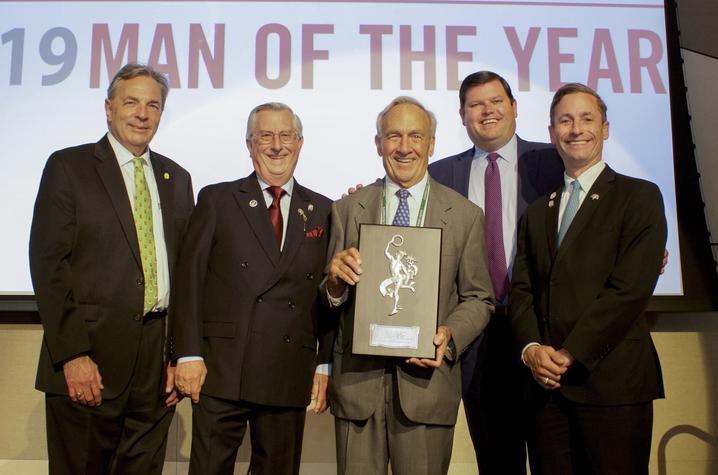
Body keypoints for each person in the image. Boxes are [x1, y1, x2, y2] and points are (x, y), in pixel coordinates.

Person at [29, 63, 195, 474]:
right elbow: (49, 265)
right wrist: (73, 355)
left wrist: (178, 355)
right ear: (108, 107)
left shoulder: (178, 178)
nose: (142, 113)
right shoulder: (69, 167)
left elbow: (188, 276)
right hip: (89, 361)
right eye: (131, 102)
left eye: (153, 105)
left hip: (156, 370)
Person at [323, 96, 494, 474]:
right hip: (358, 386)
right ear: (378, 143)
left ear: (431, 144)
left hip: (427, 387)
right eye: (393, 136)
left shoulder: (464, 216)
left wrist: (450, 334)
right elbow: (330, 297)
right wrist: (335, 283)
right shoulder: (347, 209)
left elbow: (479, 298)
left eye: (415, 136)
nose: (404, 147)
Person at [509, 83, 666, 474]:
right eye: (565, 120)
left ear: (606, 128)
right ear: (551, 133)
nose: (576, 129)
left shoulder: (640, 197)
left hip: (613, 385)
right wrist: (531, 349)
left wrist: (568, 354)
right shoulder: (538, 212)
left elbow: (628, 292)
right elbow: (523, 290)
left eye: (586, 119)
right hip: (547, 391)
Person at [171, 102, 333, 475]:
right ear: (249, 144)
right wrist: (188, 353)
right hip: (221, 369)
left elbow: (329, 295)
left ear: (300, 142)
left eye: (285, 135)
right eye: (265, 136)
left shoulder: (324, 209)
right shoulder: (217, 199)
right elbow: (189, 280)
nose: (276, 145)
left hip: (288, 369)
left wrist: (324, 361)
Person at [428, 70, 564, 474]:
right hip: (475, 338)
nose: (487, 111)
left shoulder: (554, 162)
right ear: (462, 115)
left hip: (542, 334)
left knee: (552, 457)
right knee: (495, 459)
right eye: (475, 105)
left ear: (514, 107)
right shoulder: (440, 175)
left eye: (496, 101)